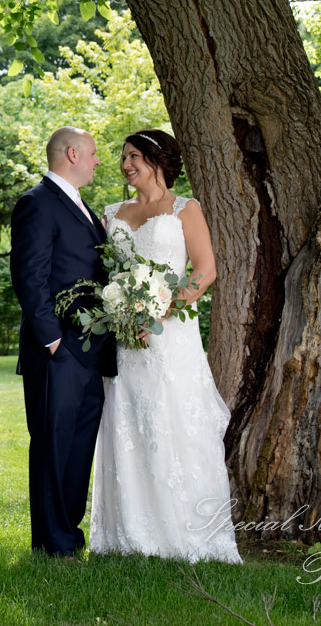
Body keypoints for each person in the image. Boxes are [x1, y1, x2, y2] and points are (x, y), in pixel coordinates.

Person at [90, 129, 241, 563]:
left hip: (170, 336)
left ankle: (184, 533)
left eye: (135, 156)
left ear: (158, 159)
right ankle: (127, 534)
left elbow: (204, 270)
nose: (125, 165)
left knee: (170, 422)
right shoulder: (111, 213)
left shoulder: (185, 209)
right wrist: (119, 310)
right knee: (127, 423)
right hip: (123, 340)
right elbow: (103, 273)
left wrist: (158, 312)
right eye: (122, 157)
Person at [10, 126, 117, 558]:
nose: (96, 161)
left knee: (77, 449)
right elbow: (29, 277)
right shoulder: (36, 203)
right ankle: (51, 545)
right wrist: (52, 340)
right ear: (72, 153)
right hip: (56, 352)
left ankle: (69, 537)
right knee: (53, 446)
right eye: (92, 154)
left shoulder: (81, 207)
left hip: (91, 350)